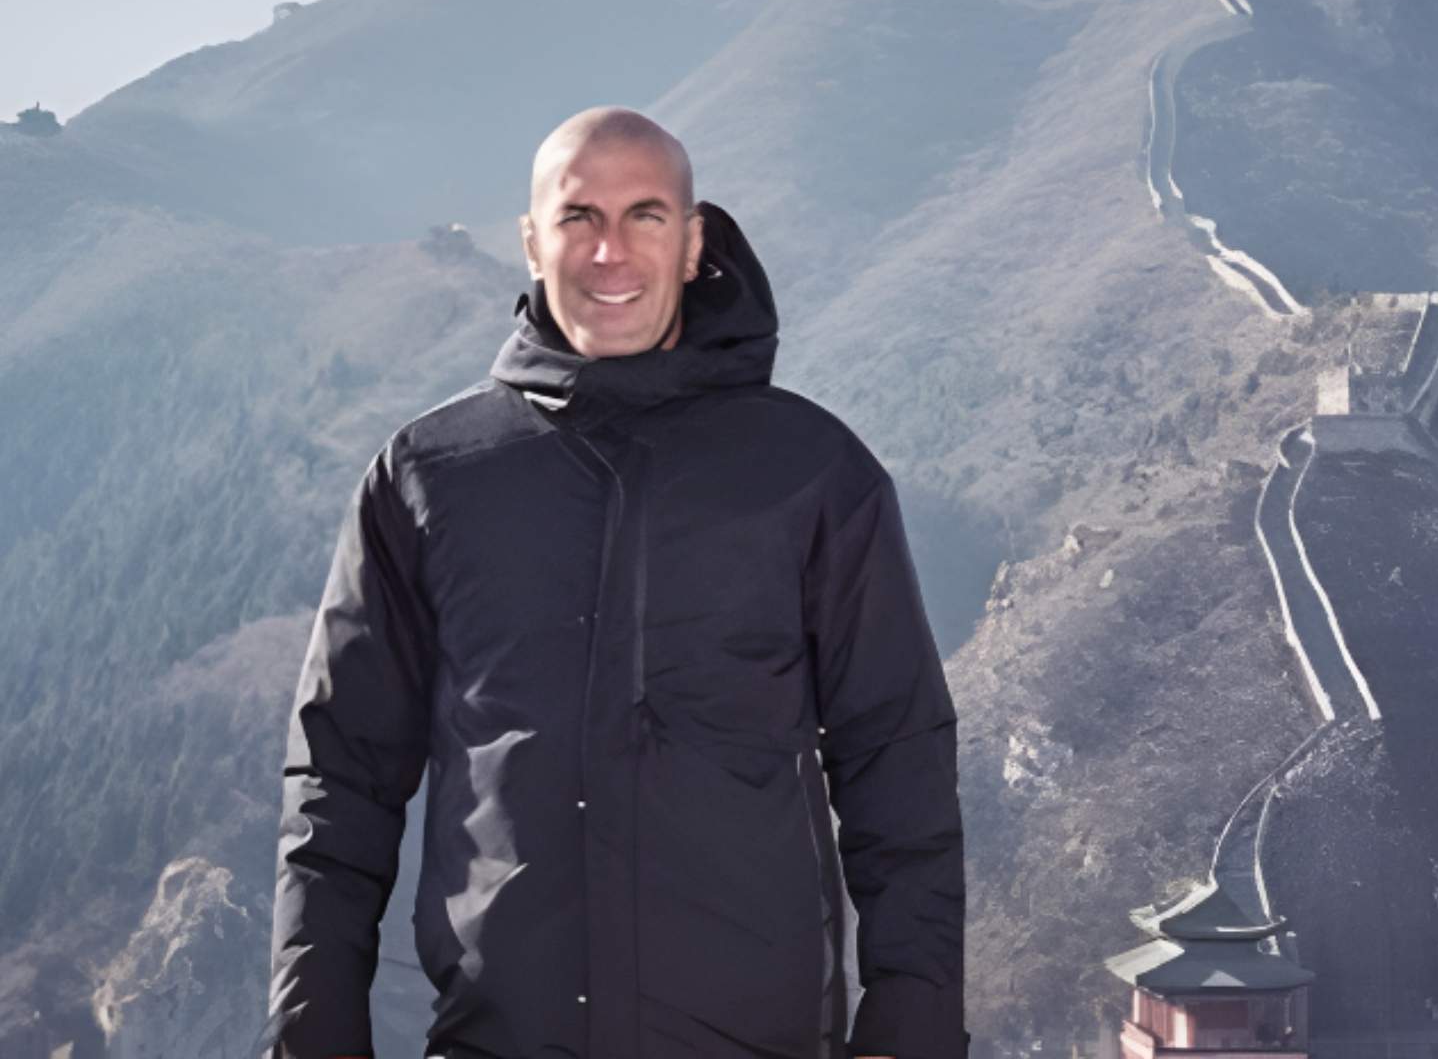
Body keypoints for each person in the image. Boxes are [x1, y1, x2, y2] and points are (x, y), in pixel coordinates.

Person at [263, 106, 966, 1059]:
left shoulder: (810, 471)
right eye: (578, 217)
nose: (610, 252)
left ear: (693, 243)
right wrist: (312, 1032)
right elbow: (340, 776)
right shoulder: (430, 476)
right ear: (530, 241)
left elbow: (898, 759)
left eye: (645, 215)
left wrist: (913, 1023)